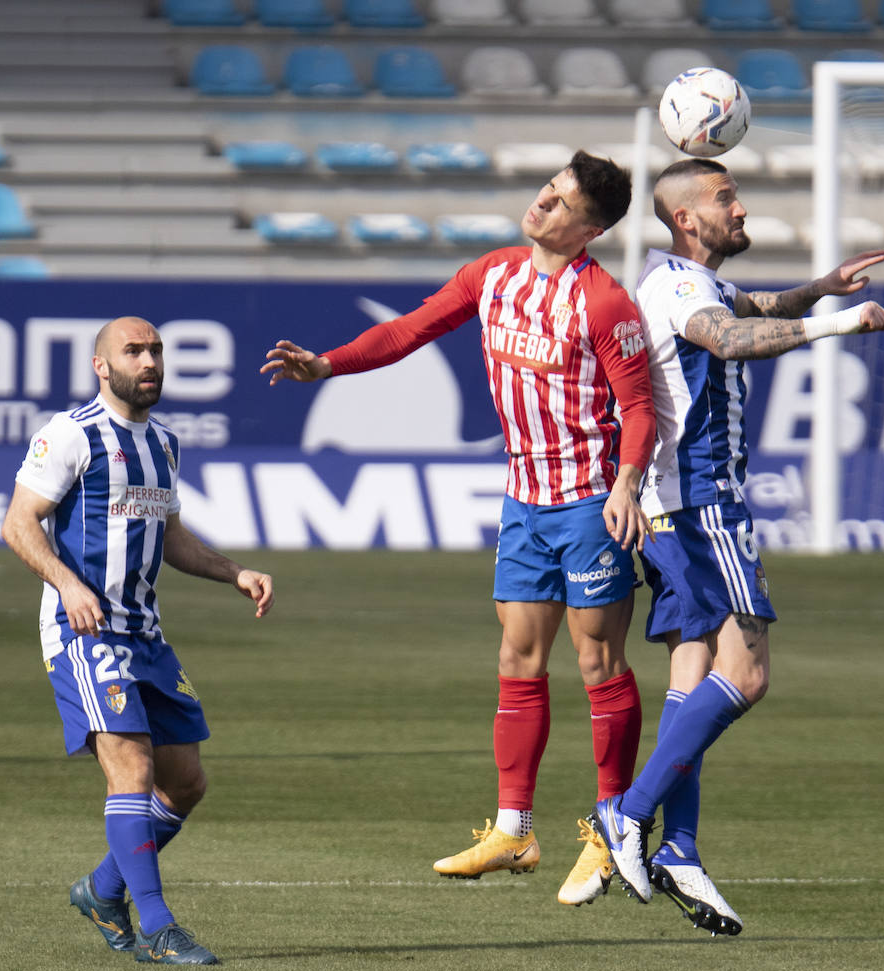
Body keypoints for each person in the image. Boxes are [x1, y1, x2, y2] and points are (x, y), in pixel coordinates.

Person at [261, 151, 656, 907]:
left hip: (587, 505)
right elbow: (410, 330)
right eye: (545, 190)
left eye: (560, 201)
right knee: (518, 655)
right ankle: (514, 830)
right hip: (524, 503)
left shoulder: (605, 304)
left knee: (598, 662)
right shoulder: (492, 274)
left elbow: (638, 408)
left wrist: (628, 486)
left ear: (591, 228)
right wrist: (328, 366)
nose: (541, 204)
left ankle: (614, 833)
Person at [591, 156, 884, 935]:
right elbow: (727, 337)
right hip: (701, 504)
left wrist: (818, 288)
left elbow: (753, 302)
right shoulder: (683, 288)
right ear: (688, 219)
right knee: (748, 673)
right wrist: (838, 323)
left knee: (692, 679)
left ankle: (681, 848)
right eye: (727, 198)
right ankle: (627, 815)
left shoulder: (680, 280)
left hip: (672, 507)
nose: (741, 206)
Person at [1, 316, 275, 966]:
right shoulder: (71, 434)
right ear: (102, 365)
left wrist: (233, 571)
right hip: (83, 632)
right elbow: (18, 522)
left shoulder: (164, 445)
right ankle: (156, 927)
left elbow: (171, 536)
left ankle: (101, 891)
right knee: (132, 766)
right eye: (134, 350)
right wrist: (68, 586)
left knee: (185, 783)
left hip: (146, 634)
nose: (149, 361)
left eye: (156, 350)